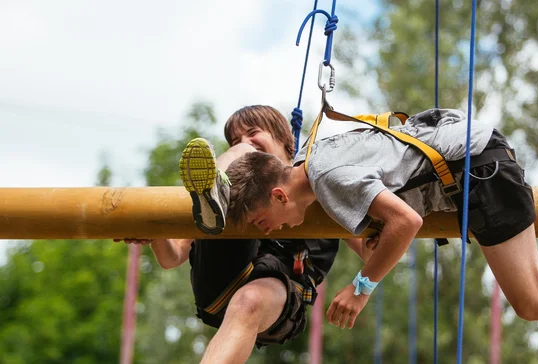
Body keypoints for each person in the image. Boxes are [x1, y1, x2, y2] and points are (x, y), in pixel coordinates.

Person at [208, 107, 538, 364]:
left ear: (277, 195)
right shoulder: (317, 165)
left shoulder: (326, 179)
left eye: (259, 222)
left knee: (530, 300)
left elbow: (406, 223)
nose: (265, 232)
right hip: (466, 171)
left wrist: (361, 289)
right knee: (522, 271)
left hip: (476, 172)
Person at [116, 105, 373, 364]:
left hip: (282, 293)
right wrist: (156, 235)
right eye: (234, 141)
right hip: (221, 283)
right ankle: (212, 192)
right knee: (242, 165)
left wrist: (361, 289)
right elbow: (172, 258)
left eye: (253, 133)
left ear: (284, 139)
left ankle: (215, 187)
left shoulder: (317, 187)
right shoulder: (232, 196)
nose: (244, 143)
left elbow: (369, 250)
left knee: (250, 300)